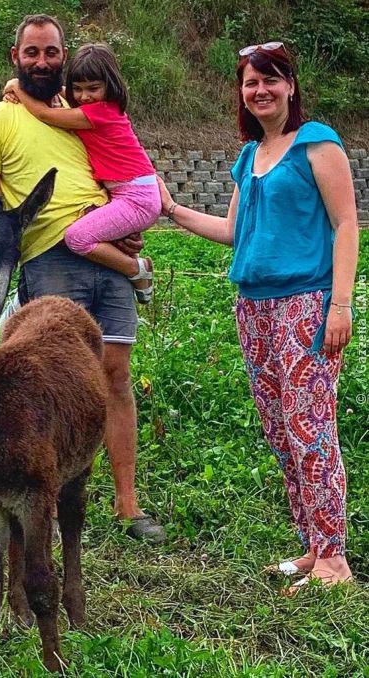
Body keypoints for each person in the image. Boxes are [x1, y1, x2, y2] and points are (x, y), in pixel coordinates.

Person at [156, 42, 358, 590]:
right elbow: (231, 233)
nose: (260, 90)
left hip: (306, 305)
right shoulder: (249, 158)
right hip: (254, 306)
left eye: (271, 79)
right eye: (250, 82)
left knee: (310, 425)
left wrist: (341, 305)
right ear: (241, 94)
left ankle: (335, 558)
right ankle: (314, 548)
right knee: (279, 428)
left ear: (290, 85)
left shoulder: (317, 144)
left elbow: (346, 224)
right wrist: (170, 209)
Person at [0, 14, 166, 543]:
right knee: (51, 388)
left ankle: (129, 507)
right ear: (15, 57)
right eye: (31, 53)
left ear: (64, 55)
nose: (41, 62)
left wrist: (127, 231)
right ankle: (46, 509)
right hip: (52, 258)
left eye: (51, 52)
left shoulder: (83, 113)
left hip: (105, 255)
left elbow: (121, 174)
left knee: (115, 377)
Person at [3, 43, 160, 304]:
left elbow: (44, 113)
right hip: (132, 192)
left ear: (110, 86)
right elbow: (62, 96)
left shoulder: (99, 113)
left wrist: (18, 87)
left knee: (77, 238)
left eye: (93, 89)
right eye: (78, 89)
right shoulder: (100, 109)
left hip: (136, 198)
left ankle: (136, 269)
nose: (85, 96)